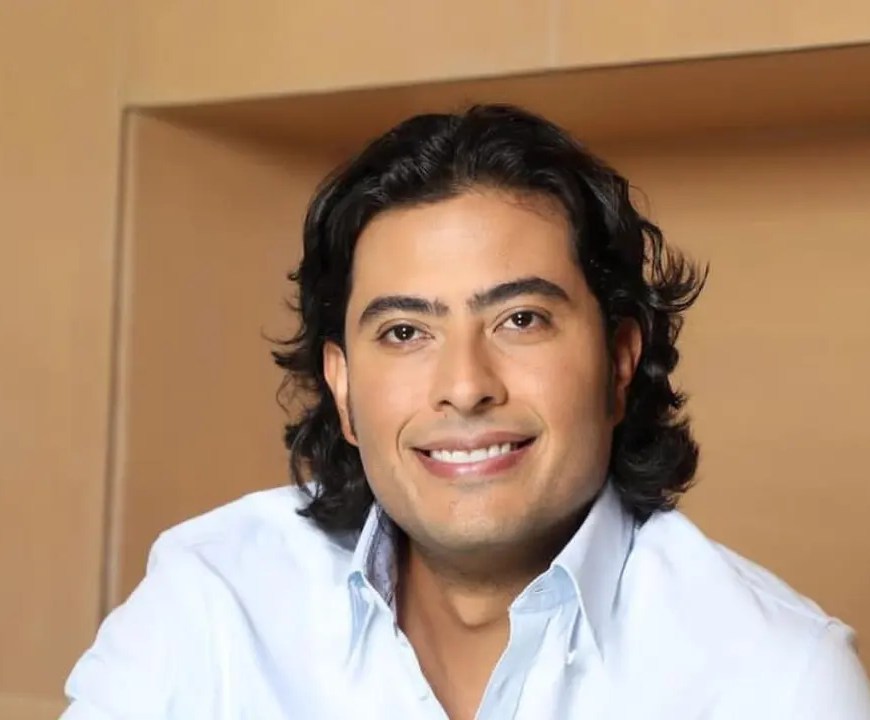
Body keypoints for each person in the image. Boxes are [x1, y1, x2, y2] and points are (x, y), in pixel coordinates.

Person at [62, 104, 870, 719]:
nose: (464, 385)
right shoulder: (211, 605)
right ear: (342, 388)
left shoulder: (778, 679)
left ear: (620, 360)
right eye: (404, 332)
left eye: (520, 320)